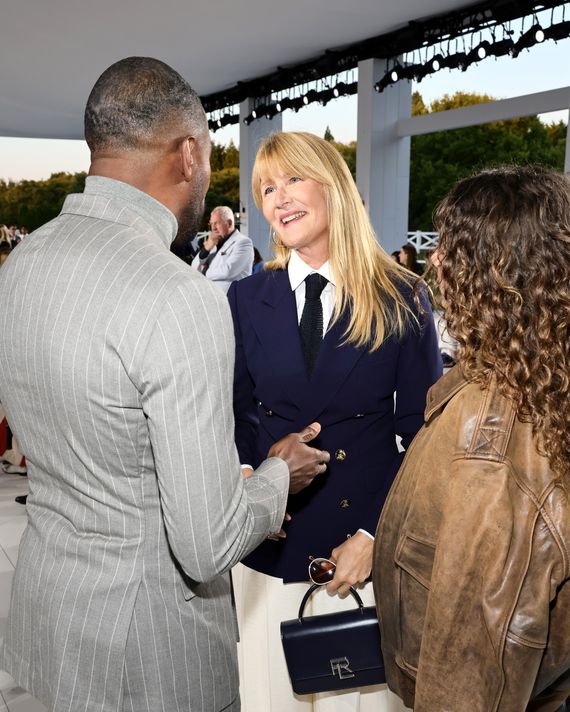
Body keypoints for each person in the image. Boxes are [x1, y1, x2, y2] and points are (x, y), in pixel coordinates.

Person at [0, 57, 329, 712]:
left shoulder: (23, 262)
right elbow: (205, 544)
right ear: (188, 154)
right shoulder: (177, 297)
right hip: (149, 655)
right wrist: (274, 476)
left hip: (46, 618)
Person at [227, 131, 442, 712]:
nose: (280, 197)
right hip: (270, 551)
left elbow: (422, 437)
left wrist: (374, 535)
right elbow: (239, 414)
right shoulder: (247, 298)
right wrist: (251, 480)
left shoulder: (401, 296)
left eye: (293, 178)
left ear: (333, 185)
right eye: (267, 188)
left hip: (360, 558)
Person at [374, 166, 570, 712]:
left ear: (501, 271)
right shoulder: (539, 373)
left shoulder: (493, 436)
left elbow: (469, 665)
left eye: (453, 248)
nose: (435, 262)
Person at [191, 205, 253, 292]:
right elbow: (194, 267)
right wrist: (206, 249)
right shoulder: (212, 244)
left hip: (233, 299)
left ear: (230, 223)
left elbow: (228, 271)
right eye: (211, 224)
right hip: (213, 297)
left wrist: (204, 271)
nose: (213, 228)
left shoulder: (243, 242)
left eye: (216, 223)